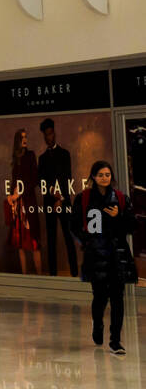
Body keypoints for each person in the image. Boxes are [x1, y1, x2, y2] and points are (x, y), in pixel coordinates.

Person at [76, 161, 137, 355]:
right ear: (93, 177)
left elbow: (132, 226)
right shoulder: (84, 198)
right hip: (96, 256)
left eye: (107, 174)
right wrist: (86, 241)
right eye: (101, 174)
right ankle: (98, 325)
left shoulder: (120, 198)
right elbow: (74, 225)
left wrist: (119, 216)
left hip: (117, 255)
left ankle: (115, 340)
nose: (105, 178)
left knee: (118, 298)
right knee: (100, 297)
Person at [37, 117, 78, 277]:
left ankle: (75, 274)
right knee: (51, 240)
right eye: (46, 135)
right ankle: (53, 276)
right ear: (44, 137)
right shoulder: (42, 159)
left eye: (51, 133)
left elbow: (67, 177)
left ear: (54, 133)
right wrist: (51, 191)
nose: (49, 137)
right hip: (49, 203)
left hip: (64, 202)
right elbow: (40, 182)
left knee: (69, 238)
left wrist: (60, 199)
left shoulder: (65, 154)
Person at [6, 128, 41, 274]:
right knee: (20, 243)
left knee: (34, 242)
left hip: (28, 202)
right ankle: (25, 276)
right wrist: (10, 195)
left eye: (26, 137)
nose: (25, 140)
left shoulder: (31, 155)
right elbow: (14, 181)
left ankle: (40, 277)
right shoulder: (15, 158)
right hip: (18, 206)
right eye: (22, 138)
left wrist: (19, 193)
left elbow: (34, 179)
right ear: (17, 141)